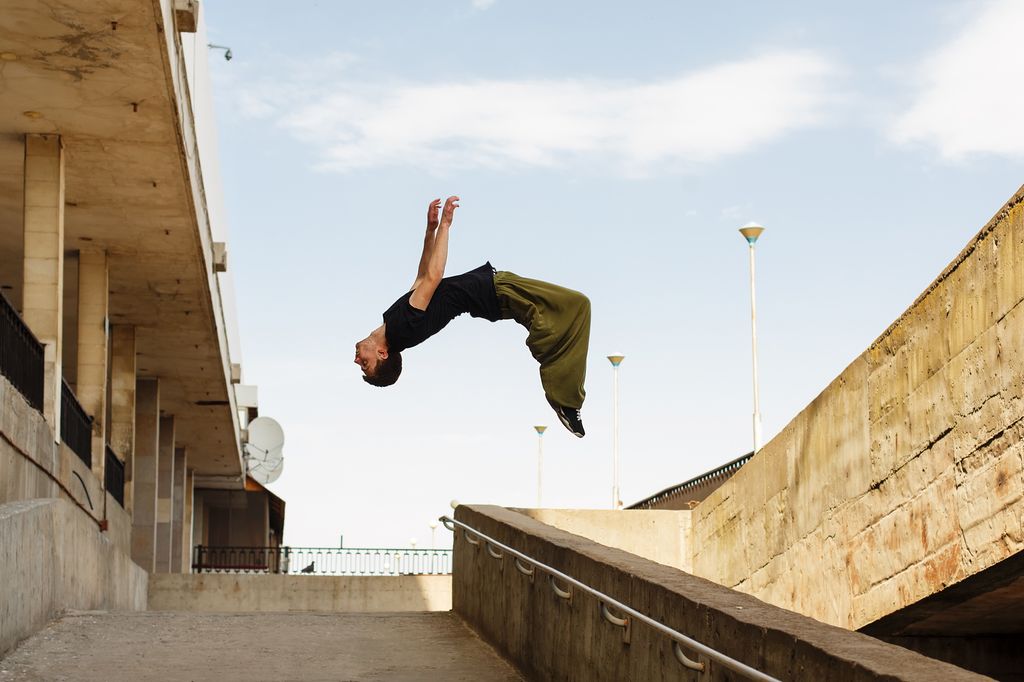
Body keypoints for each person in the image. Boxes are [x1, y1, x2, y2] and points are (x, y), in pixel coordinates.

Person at [354, 196, 591, 437]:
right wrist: (445, 225)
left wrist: (430, 230)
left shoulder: (393, 322)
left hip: (496, 292)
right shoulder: (401, 329)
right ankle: (566, 401)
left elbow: (423, 277)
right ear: (382, 354)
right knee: (577, 305)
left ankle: (564, 394)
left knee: (568, 313)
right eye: (365, 364)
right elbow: (435, 276)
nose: (357, 360)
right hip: (497, 292)